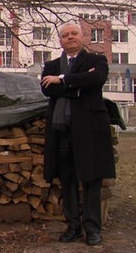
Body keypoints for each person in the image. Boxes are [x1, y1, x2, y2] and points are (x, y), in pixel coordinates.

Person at [40, 21, 116, 246]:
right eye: (65, 35)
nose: (70, 37)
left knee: (91, 179)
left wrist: (63, 80)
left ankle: (93, 229)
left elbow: (97, 79)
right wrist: (80, 84)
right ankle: (72, 226)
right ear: (60, 40)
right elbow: (47, 89)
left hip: (90, 130)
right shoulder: (52, 64)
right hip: (62, 131)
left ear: (82, 37)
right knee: (68, 179)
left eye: (74, 34)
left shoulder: (97, 60)